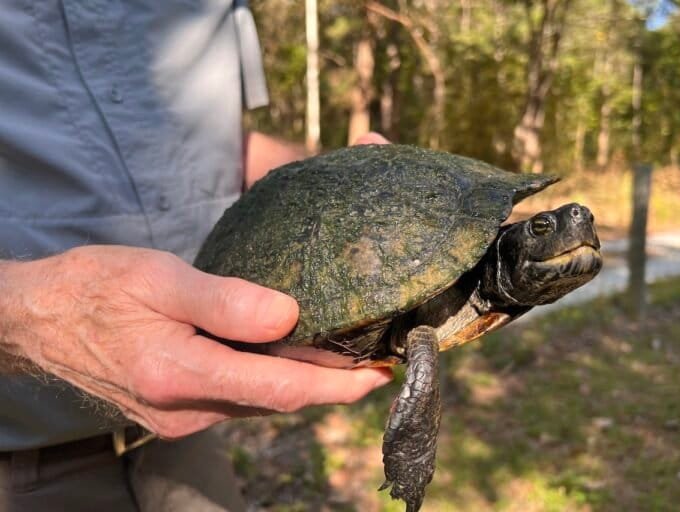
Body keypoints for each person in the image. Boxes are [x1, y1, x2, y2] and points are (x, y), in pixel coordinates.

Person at [0, 3, 391, 510]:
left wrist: (333, 190)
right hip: (20, 467)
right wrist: (34, 318)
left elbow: (220, 147)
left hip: (186, 444)